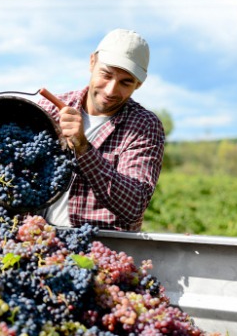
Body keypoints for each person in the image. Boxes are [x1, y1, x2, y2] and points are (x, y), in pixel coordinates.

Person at [36, 28, 165, 232]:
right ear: (92, 62)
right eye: (106, 75)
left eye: (126, 82)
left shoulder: (143, 126)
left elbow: (134, 204)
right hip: (36, 242)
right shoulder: (49, 108)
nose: (111, 90)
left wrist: (83, 148)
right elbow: (12, 173)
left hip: (100, 249)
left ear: (139, 84)